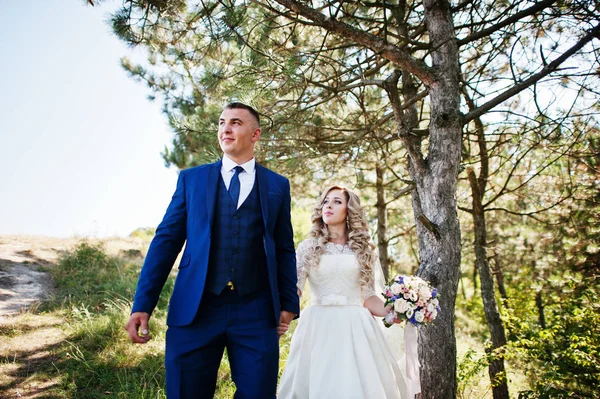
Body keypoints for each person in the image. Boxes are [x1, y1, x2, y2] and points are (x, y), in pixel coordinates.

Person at [125, 102, 300, 399]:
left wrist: (287, 304)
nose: (225, 128)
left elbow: (284, 249)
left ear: (255, 134)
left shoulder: (277, 186)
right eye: (221, 123)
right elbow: (166, 241)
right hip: (196, 309)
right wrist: (143, 304)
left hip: (255, 311)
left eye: (235, 123)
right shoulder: (191, 179)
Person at [278, 185, 420, 399]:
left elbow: (369, 297)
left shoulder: (364, 250)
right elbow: (294, 290)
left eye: (337, 201)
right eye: (326, 201)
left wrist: (397, 309)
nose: (328, 206)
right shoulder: (308, 247)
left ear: (349, 210)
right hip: (318, 326)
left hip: (356, 327)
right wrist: (281, 318)